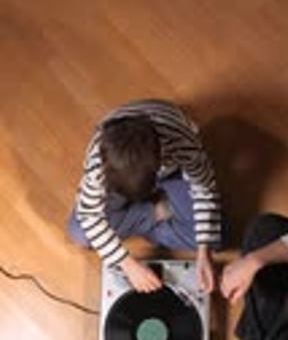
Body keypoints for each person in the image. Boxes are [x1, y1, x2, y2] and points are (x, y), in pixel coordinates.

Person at [67, 99, 222, 293]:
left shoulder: (182, 143)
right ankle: (156, 213)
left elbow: (204, 188)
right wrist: (126, 263)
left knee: (213, 240)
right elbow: (89, 215)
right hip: (124, 181)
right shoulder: (98, 162)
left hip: (171, 172)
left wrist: (203, 253)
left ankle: (144, 217)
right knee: (79, 234)